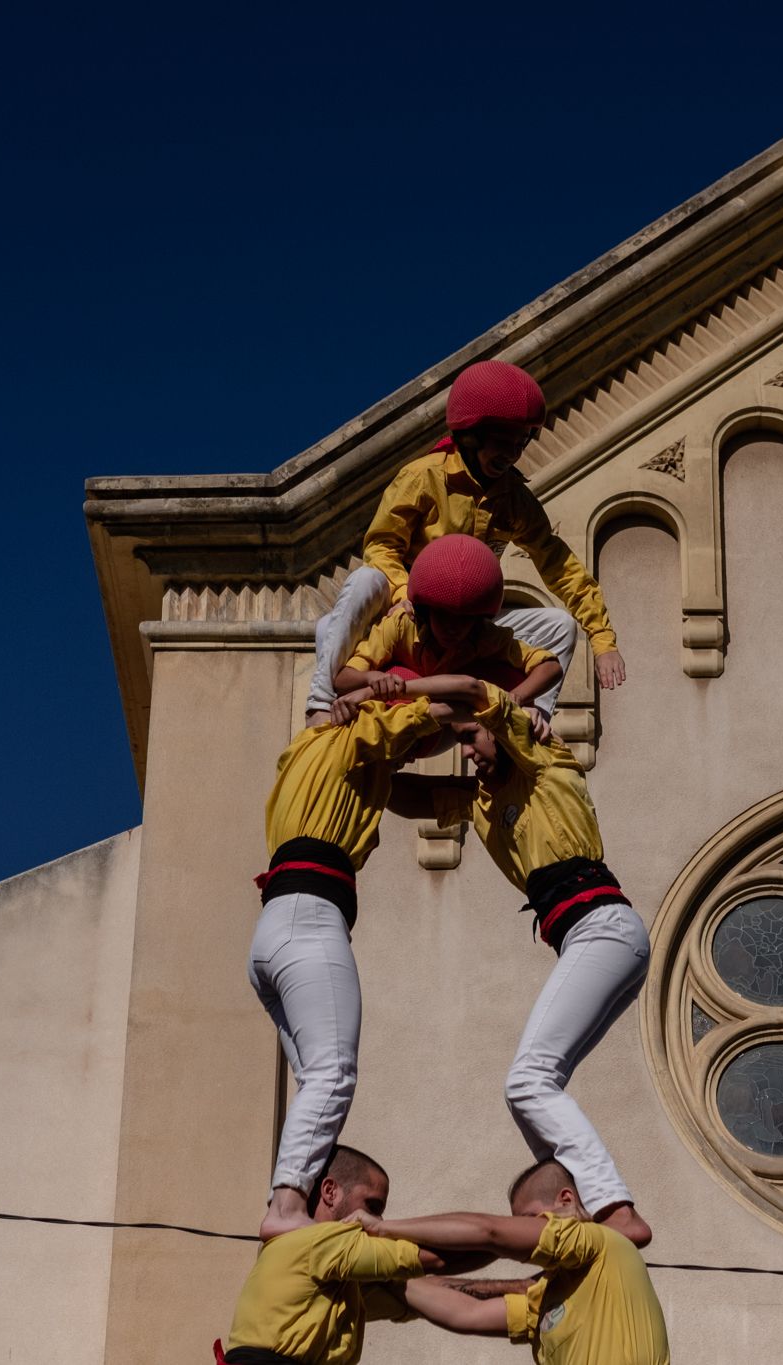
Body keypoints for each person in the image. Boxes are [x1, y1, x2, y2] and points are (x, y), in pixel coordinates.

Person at [388, 678, 652, 1246]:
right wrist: (366, 756)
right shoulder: (481, 800)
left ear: (502, 729)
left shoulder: (546, 762)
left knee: (528, 1080)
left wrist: (396, 700)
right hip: (593, 935)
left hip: (601, 927)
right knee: (535, 1084)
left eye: (469, 737)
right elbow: (406, 795)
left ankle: (611, 1207)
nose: (464, 750)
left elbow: (469, 690)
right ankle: (578, 1199)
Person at [251, 677, 486, 1241]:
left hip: (275, 928)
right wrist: (480, 718)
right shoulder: (352, 731)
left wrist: (481, 785)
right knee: (333, 1075)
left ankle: (302, 1202)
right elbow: (443, 708)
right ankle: (285, 1209)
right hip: (311, 919)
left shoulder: (327, 758)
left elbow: (417, 794)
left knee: (315, 1080)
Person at [305, 359, 628, 726]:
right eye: (503, 442)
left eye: (521, 443)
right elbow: (381, 547)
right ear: (471, 434)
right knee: (363, 582)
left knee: (560, 626)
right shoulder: (422, 477)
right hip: (407, 621)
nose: (512, 454)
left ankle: (526, 722)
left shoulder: (515, 501)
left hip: (464, 633)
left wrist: (603, 642)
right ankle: (320, 704)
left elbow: (562, 569)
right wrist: (403, 596)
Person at [357, 1159, 671, 1365]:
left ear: (566, 1201)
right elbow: (469, 1312)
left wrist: (383, 1228)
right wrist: (386, 1275)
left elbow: (488, 1231)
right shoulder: (550, 1294)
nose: (521, 1231)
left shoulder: (601, 1244)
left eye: (529, 1220)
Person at [218, 1146, 450, 1365]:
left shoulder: (345, 1283)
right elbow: (430, 1259)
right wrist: (485, 1234)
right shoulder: (319, 1243)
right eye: (372, 1206)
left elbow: (428, 1294)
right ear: (329, 1192)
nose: (376, 1219)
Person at [328, 533, 561, 732]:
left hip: (457, 722)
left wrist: (514, 699)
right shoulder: (401, 625)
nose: (452, 627)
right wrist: (372, 679)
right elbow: (342, 679)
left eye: (463, 620)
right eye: (443, 615)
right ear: (426, 611)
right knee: (399, 676)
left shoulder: (485, 636)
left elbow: (550, 667)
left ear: (476, 619)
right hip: (407, 724)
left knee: (515, 677)